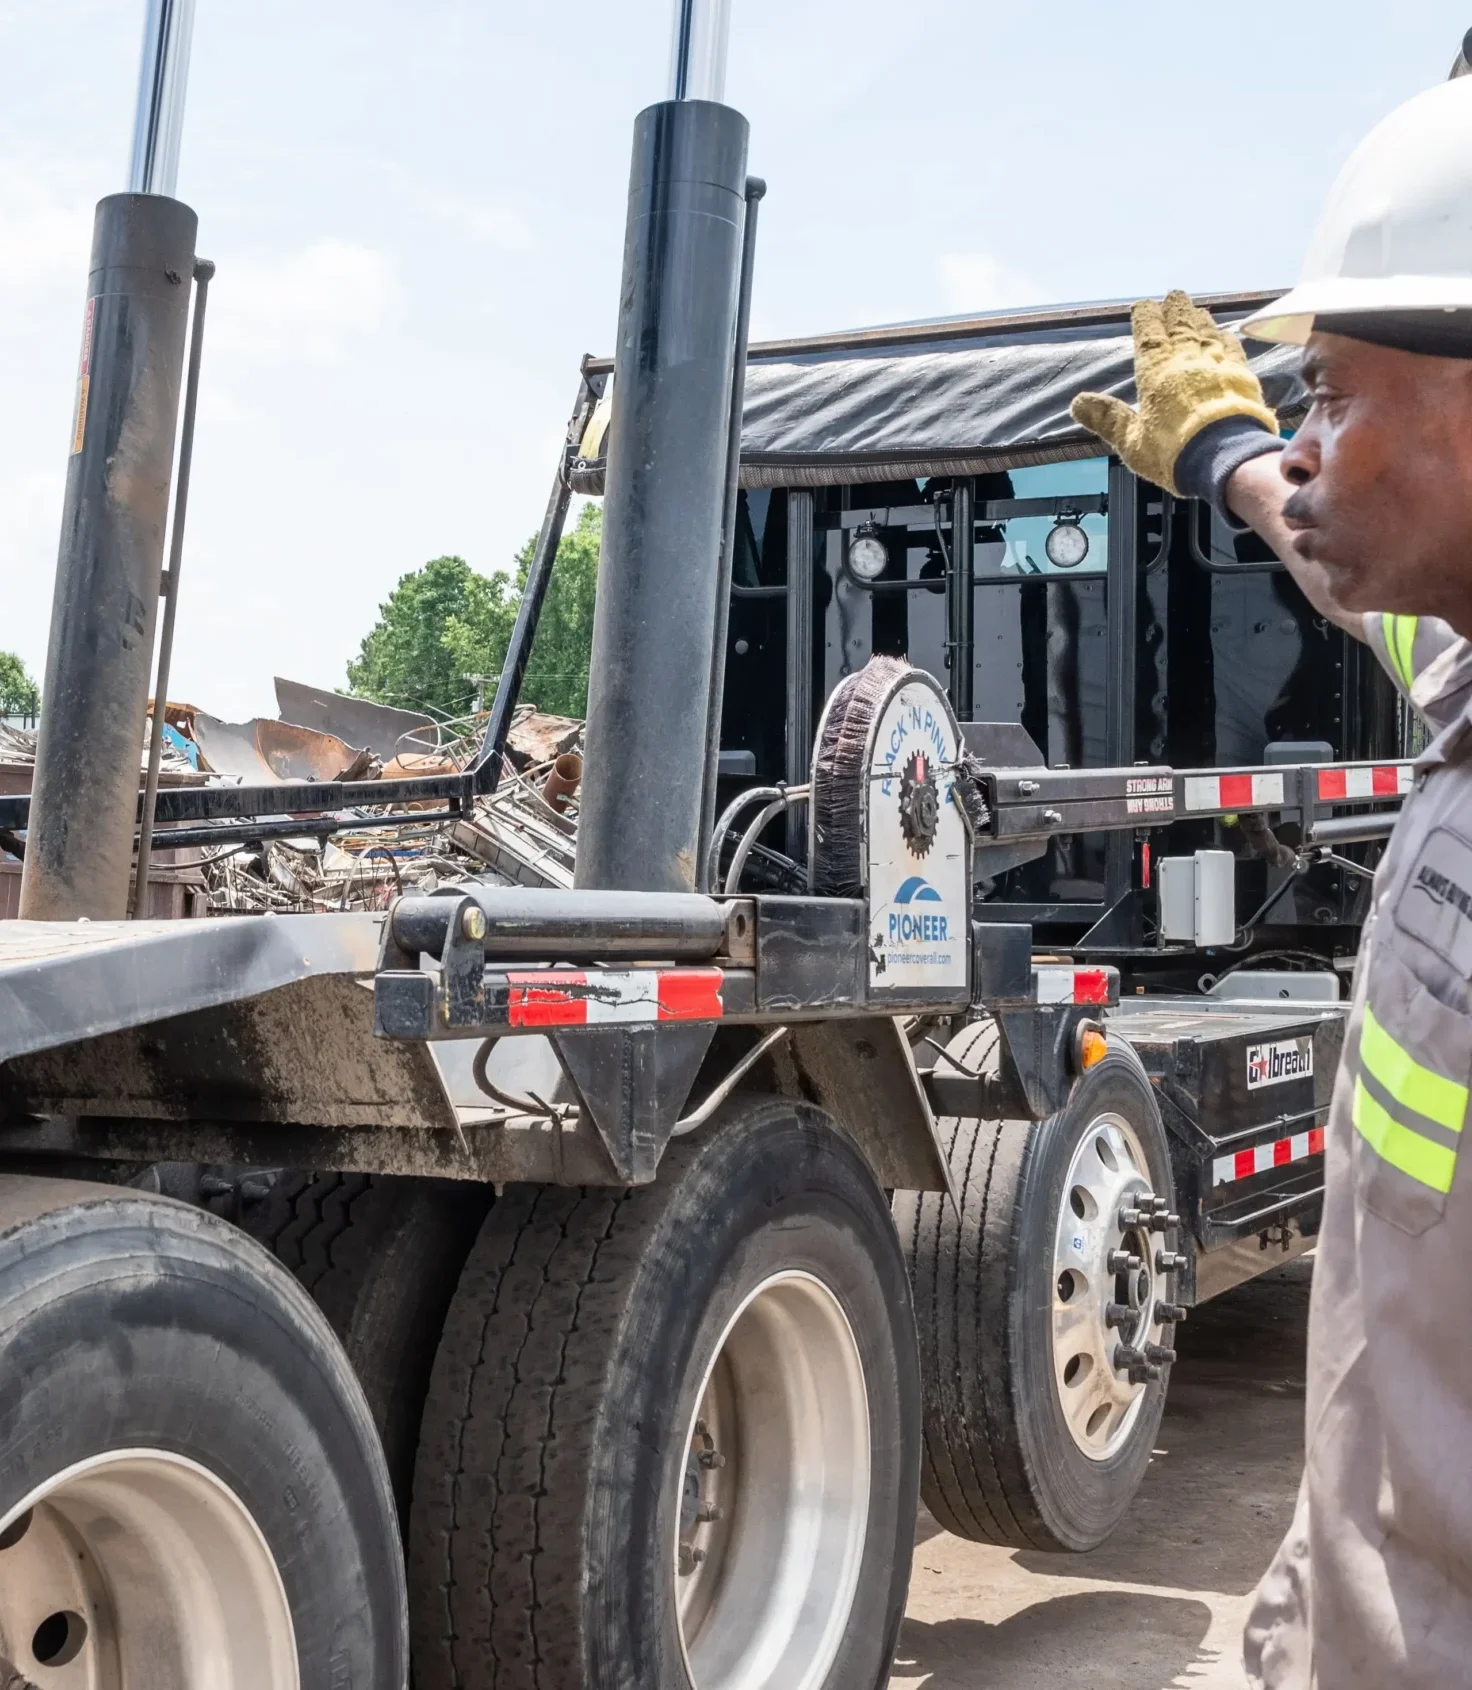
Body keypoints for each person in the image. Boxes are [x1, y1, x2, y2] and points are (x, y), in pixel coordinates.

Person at [1069, 67, 1472, 1690]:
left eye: (1328, 394)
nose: (1303, 449)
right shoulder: (1455, 665)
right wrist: (1227, 447)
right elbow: (1334, 544)